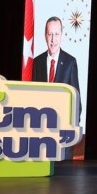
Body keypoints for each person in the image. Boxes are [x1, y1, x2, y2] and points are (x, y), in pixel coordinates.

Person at [33, 16, 81, 159]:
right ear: (45, 36)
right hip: (41, 128)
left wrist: (73, 125)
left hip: (63, 128)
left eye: (56, 34)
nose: (53, 39)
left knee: (63, 167)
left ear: (62, 35)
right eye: (50, 34)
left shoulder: (70, 62)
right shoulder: (37, 62)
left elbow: (76, 97)